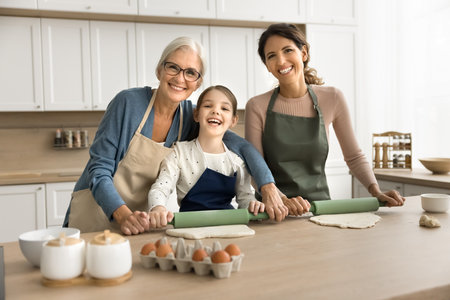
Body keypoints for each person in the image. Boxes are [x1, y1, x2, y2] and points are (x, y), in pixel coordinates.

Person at [63, 36, 286, 235]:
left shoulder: (190, 116)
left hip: (139, 221)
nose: (180, 78)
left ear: (197, 83)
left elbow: (243, 147)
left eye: (190, 72)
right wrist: (121, 214)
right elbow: (98, 169)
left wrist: (267, 186)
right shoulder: (128, 103)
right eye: (173, 68)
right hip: (97, 210)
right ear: (160, 70)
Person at [245, 23, 405, 216]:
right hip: (273, 212)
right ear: (268, 67)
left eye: (288, 50)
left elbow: (353, 157)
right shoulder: (257, 106)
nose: (281, 61)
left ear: (303, 53)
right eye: (272, 56)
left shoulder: (332, 98)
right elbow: (254, 166)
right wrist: (283, 200)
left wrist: (375, 190)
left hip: (320, 210)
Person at [147, 85, 265, 228]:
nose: (215, 111)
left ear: (233, 120)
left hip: (228, 227)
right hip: (189, 226)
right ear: (196, 115)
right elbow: (160, 188)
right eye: (208, 106)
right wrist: (158, 207)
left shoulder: (236, 162)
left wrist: (253, 206)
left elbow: (245, 198)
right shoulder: (178, 153)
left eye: (224, 108)